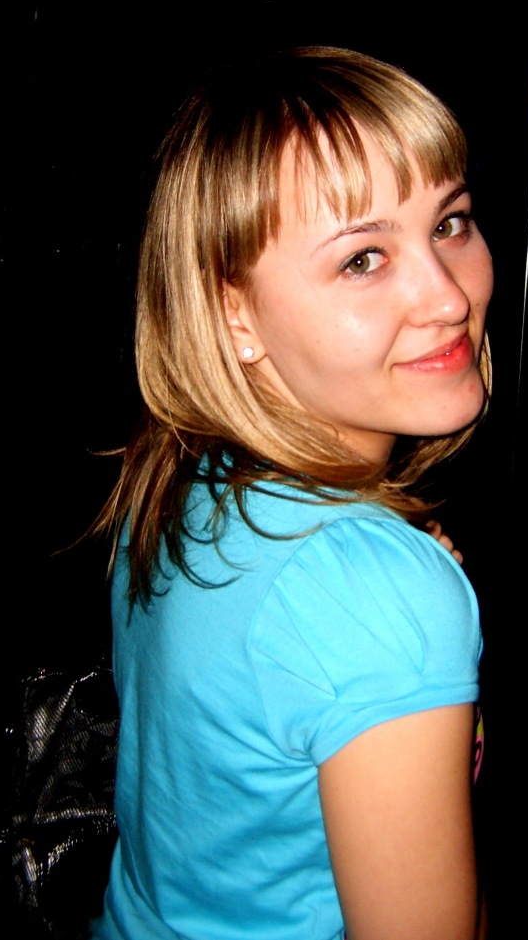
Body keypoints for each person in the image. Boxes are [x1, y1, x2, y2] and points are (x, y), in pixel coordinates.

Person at [90, 45, 493, 940]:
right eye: (363, 258)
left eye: (450, 221)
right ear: (234, 313)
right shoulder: (375, 588)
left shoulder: (179, 475)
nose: (446, 296)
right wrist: (402, 601)